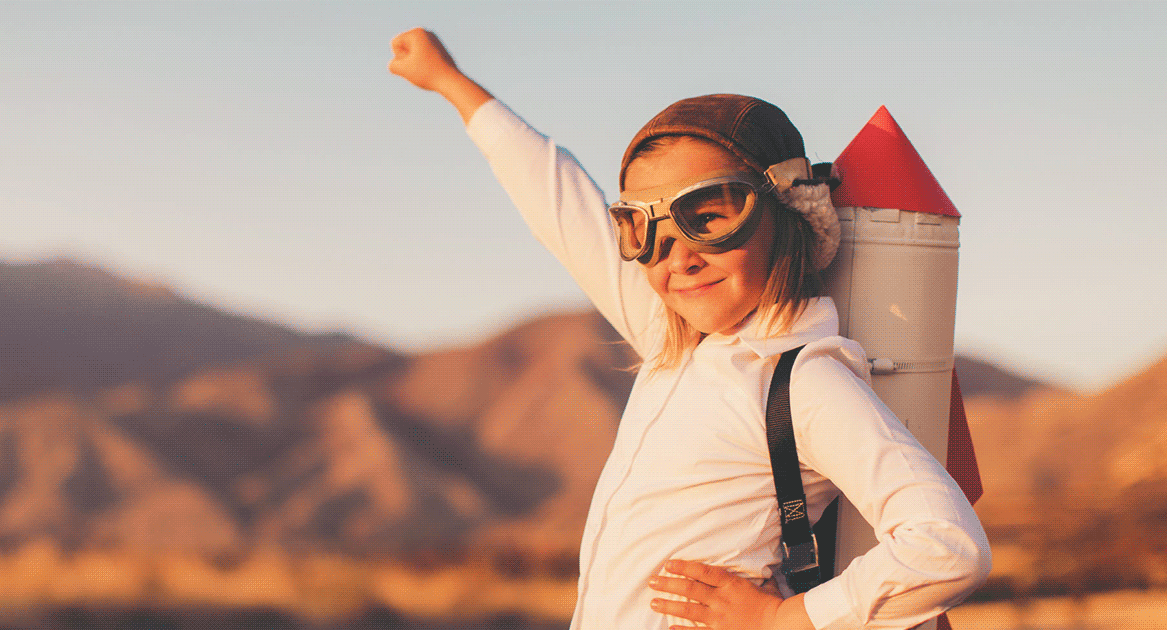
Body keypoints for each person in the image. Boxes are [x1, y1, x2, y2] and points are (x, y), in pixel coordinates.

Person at [389, 28, 990, 630]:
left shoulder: (800, 382)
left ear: (788, 214)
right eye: (643, 231)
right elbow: (560, 205)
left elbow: (947, 544)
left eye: (708, 216)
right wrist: (453, 86)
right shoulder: (672, 342)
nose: (678, 258)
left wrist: (784, 619)